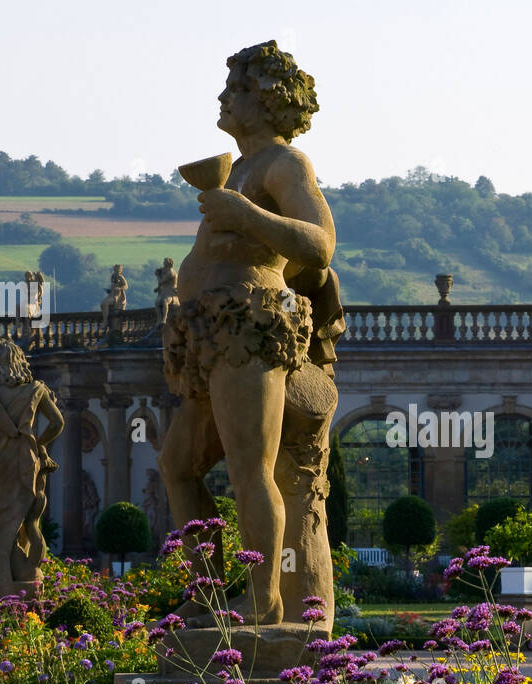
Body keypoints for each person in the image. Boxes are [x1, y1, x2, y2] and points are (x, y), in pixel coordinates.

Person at [160, 40, 341, 626]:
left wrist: (247, 216)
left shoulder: (284, 164)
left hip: (249, 329)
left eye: (234, 88)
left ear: (266, 101)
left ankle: (263, 601)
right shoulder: (238, 170)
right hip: (209, 336)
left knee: (249, 466)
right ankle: (210, 586)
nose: (222, 96)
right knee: (177, 465)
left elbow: (319, 244)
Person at [0, 339, 65, 600]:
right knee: (21, 522)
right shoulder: (37, 389)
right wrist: (37, 444)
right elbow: (57, 423)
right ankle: (24, 575)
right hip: (25, 462)